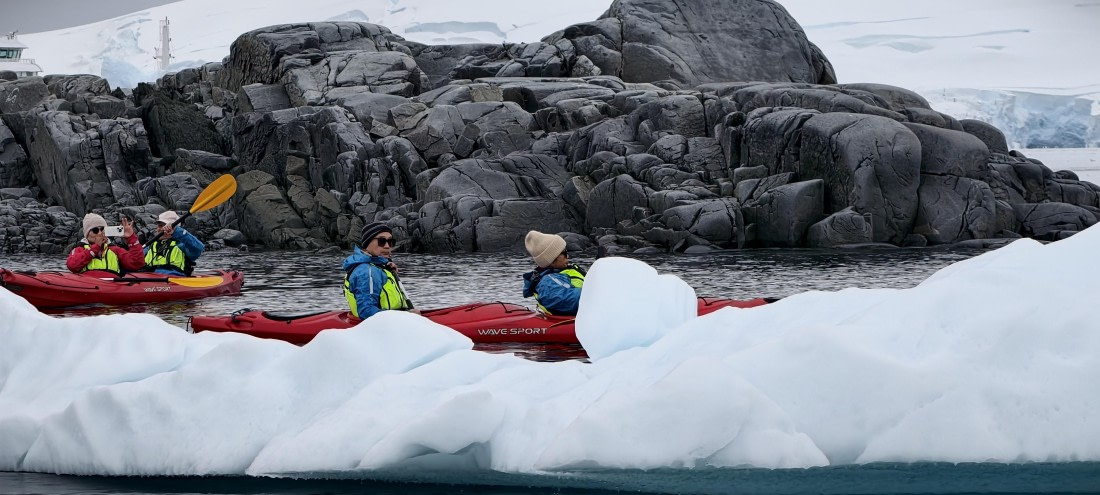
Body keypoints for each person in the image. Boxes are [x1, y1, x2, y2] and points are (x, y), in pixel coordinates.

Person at [342, 221, 419, 319]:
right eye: (381, 241)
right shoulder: (367, 272)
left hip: (391, 320)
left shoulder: (378, 267)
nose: (387, 246)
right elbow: (366, 311)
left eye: (390, 242)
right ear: (368, 243)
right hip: (378, 327)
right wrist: (405, 316)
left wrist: (385, 266)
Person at [522, 230, 585, 316]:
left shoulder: (566, 270)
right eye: (564, 253)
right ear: (551, 259)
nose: (568, 257)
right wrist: (600, 292)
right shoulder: (547, 283)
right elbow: (570, 300)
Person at [66, 213, 145, 275]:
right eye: (95, 230)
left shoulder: (115, 250)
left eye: (102, 229)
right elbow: (72, 265)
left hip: (112, 289)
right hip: (88, 286)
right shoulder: (79, 249)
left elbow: (137, 263)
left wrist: (131, 238)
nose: (100, 233)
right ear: (87, 234)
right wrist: (95, 248)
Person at [143, 210, 205, 276]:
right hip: (151, 280)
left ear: (173, 228)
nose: (157, 229)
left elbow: (199, 248)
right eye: (158, 226)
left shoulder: (182, 245)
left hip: (174, 281)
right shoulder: (150, 246)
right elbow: (135, 259)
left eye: (161, 226)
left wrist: (177, 232)